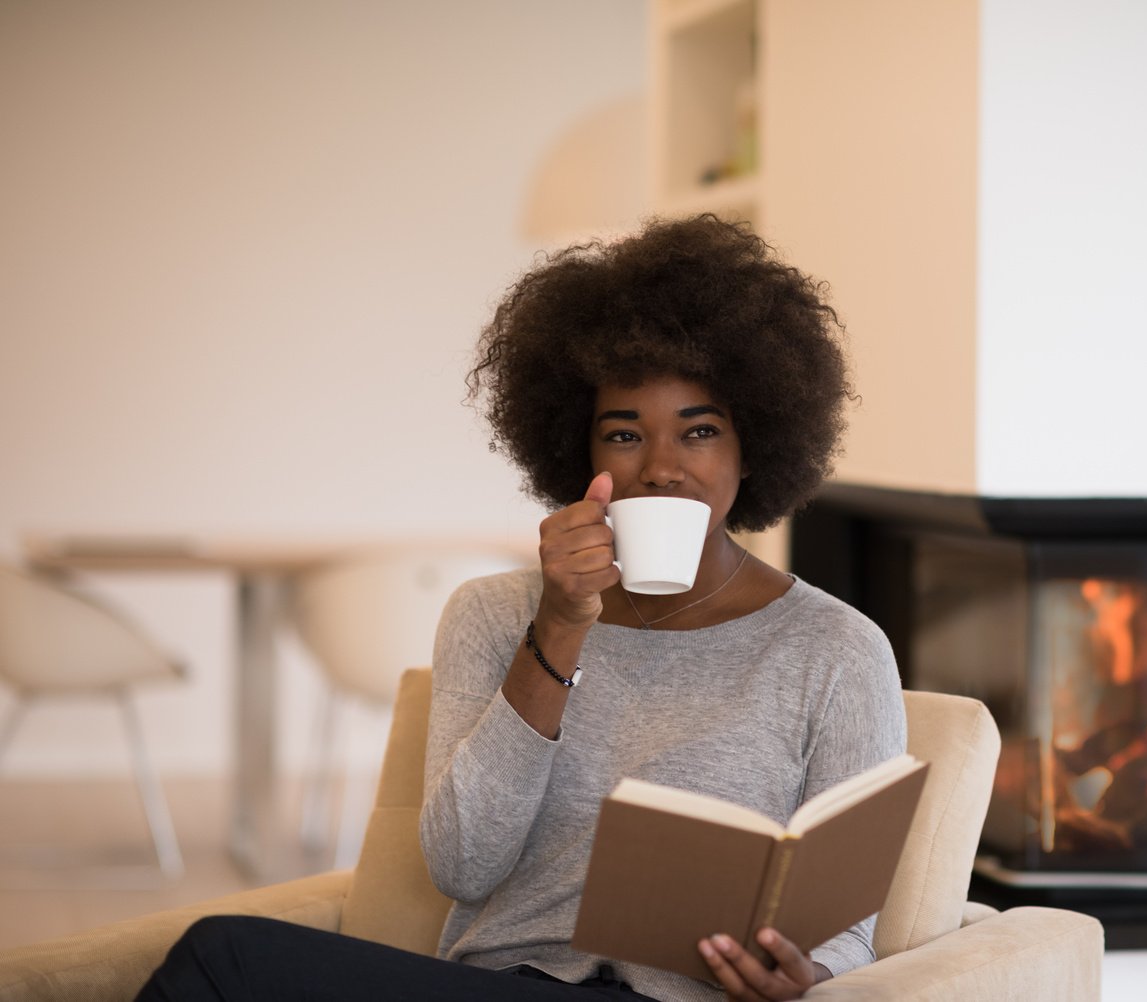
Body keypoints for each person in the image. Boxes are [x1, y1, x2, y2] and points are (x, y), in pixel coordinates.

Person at [135, 214, 905, 1002]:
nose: (662, 468)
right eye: (624, 433)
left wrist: (809, 975)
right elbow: (464, 863)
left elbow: (847, 923)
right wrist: (561, 626)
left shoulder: (836, 649)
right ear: (582, 451)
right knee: (219, 956)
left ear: (754, 445)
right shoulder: (494, 614)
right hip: (503, 983)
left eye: (699, 431)